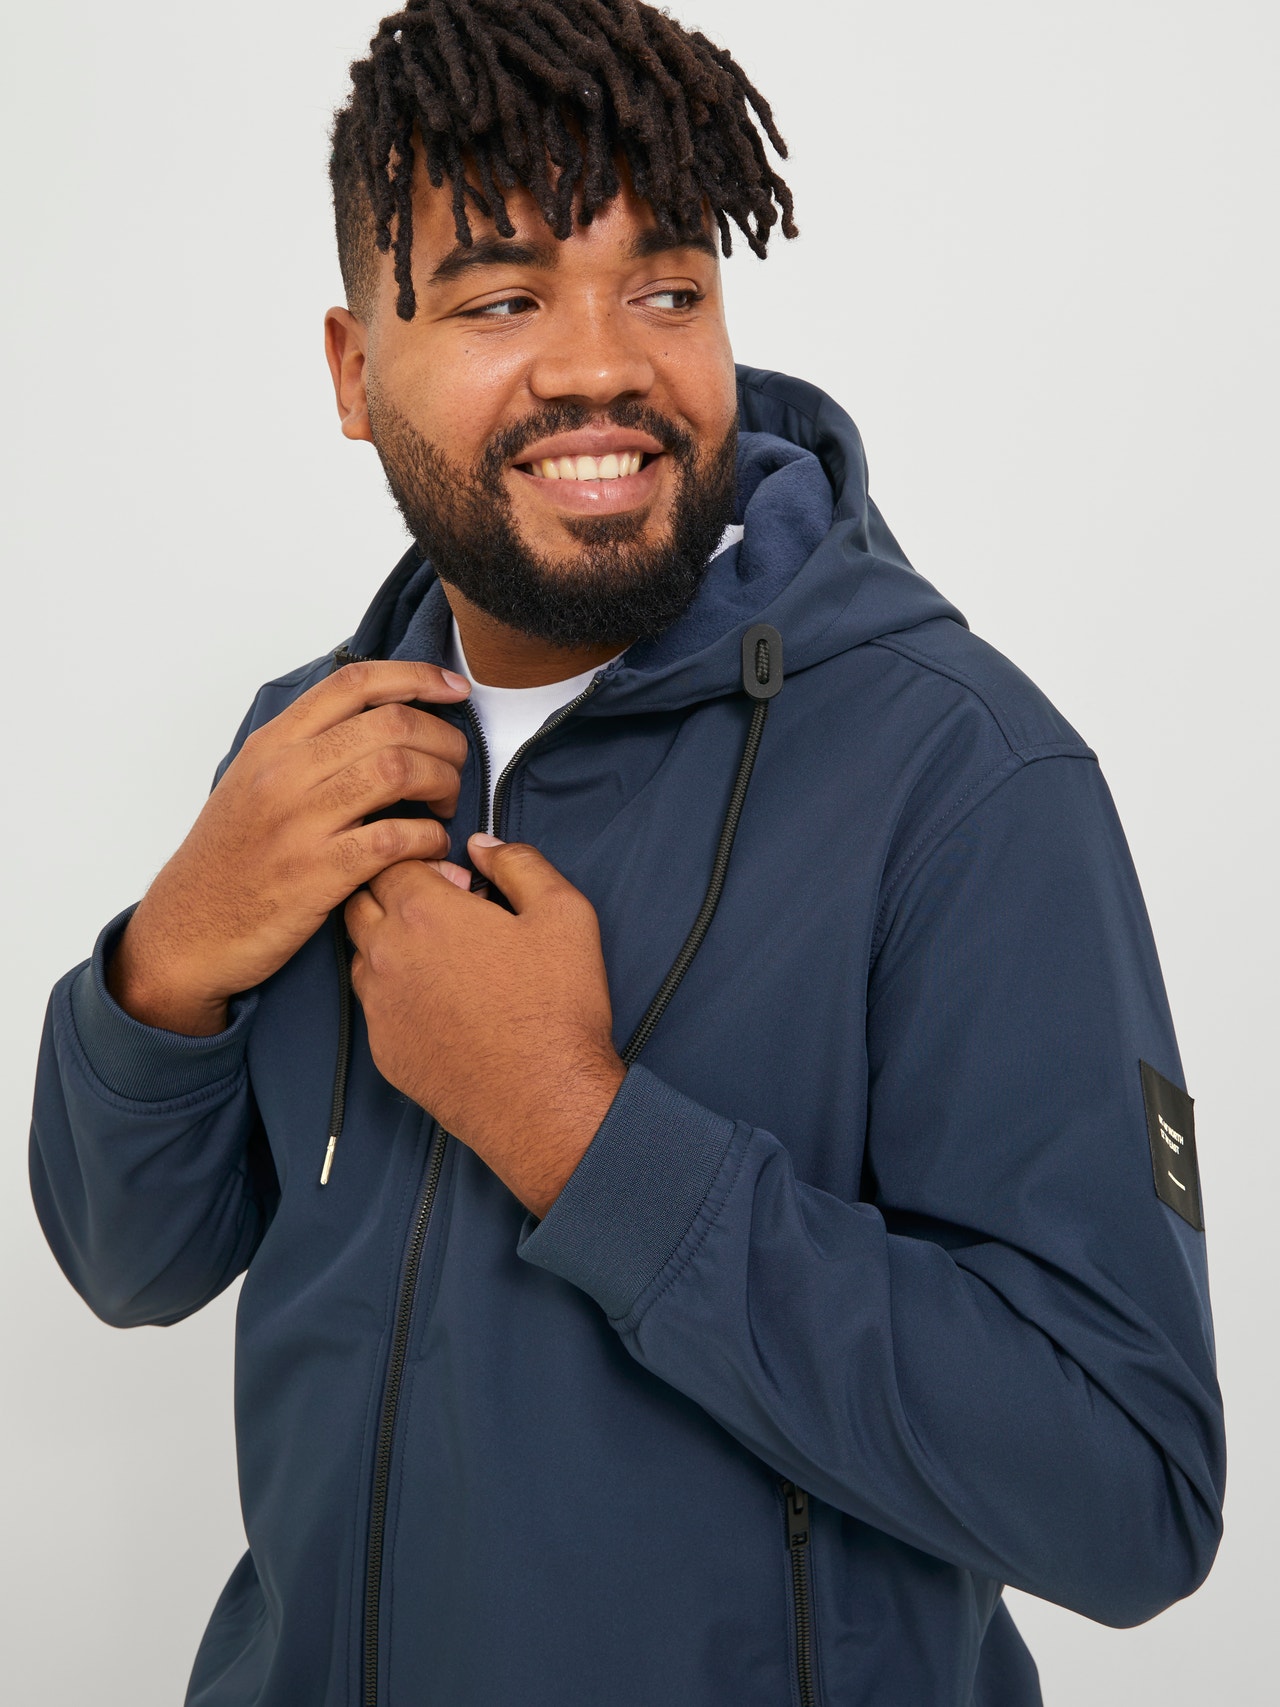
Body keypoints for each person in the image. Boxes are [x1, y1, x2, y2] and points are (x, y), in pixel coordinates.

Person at [28, 2, 1225, 1703]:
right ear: (354, 372)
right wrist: (166, 960)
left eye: (667, 289)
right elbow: (129, 1264)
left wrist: (574, 1128)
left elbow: (1132, 1494)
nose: (601, 364)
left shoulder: (965, 776)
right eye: (502, 298)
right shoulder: (311, 753)